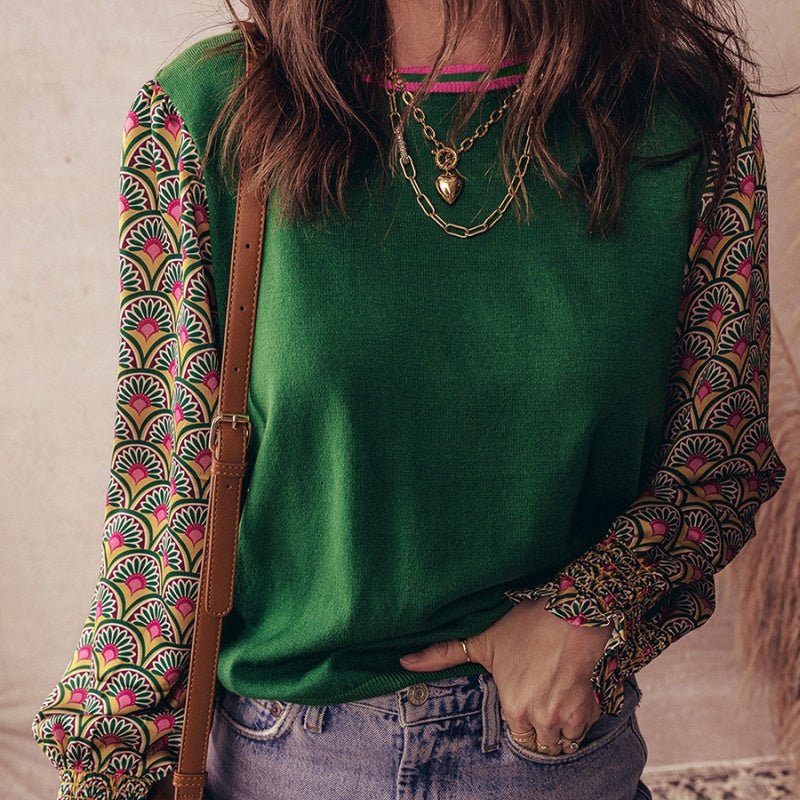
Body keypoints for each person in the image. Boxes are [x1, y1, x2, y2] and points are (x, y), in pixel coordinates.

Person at [33, 1, 787, 799]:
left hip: (553, 755)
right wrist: (113, 771)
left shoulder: (681, 110)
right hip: (288, 761)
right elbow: (160, 504)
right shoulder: (209, 110)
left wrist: (585, 611)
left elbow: (720, 457)